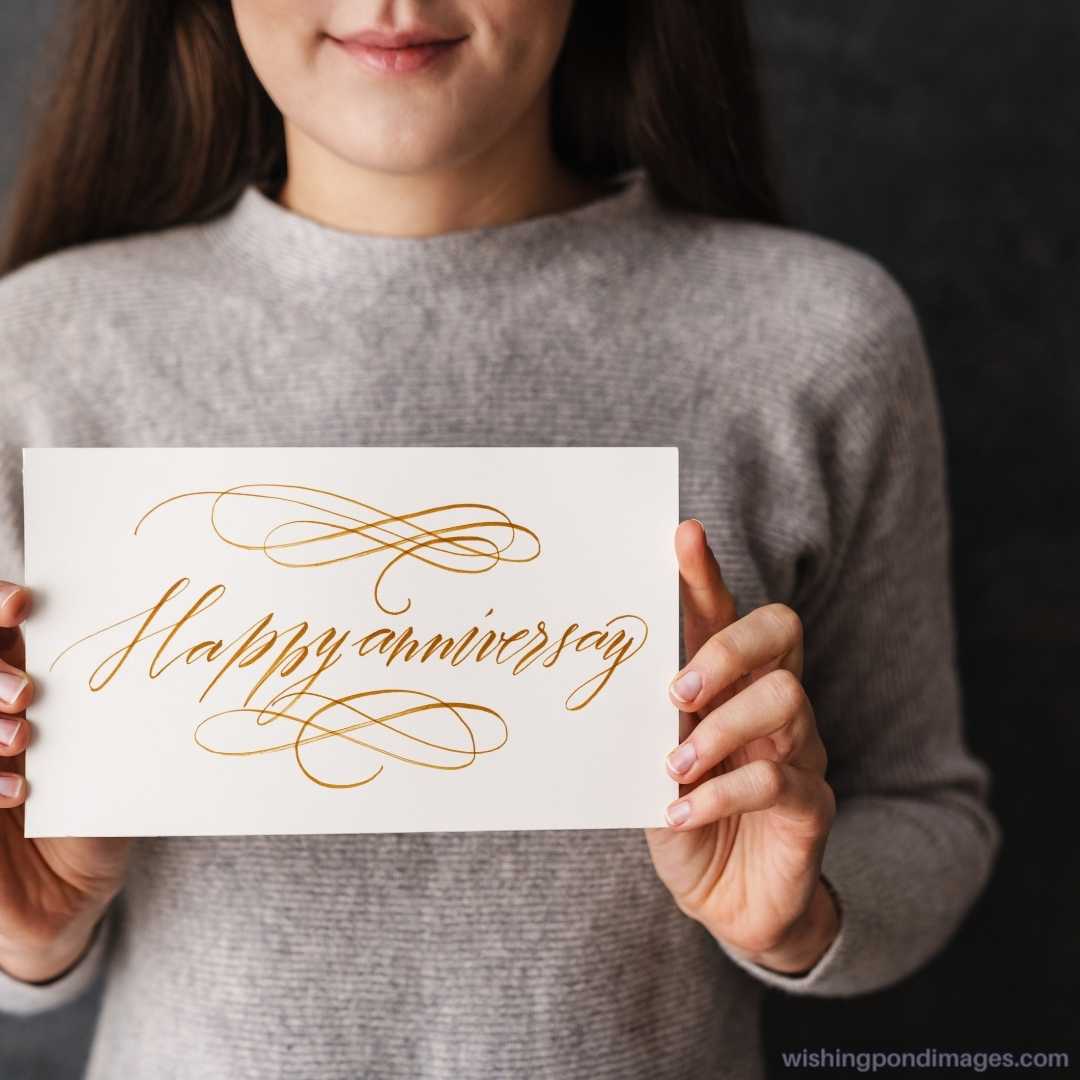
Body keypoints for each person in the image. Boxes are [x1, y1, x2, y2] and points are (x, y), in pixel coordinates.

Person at [0, 2, 1000, 1077]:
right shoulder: (44, 353)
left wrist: (799, 911)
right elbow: (29, 933)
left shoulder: (814, 340)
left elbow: (929, 814)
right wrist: (28, 929)